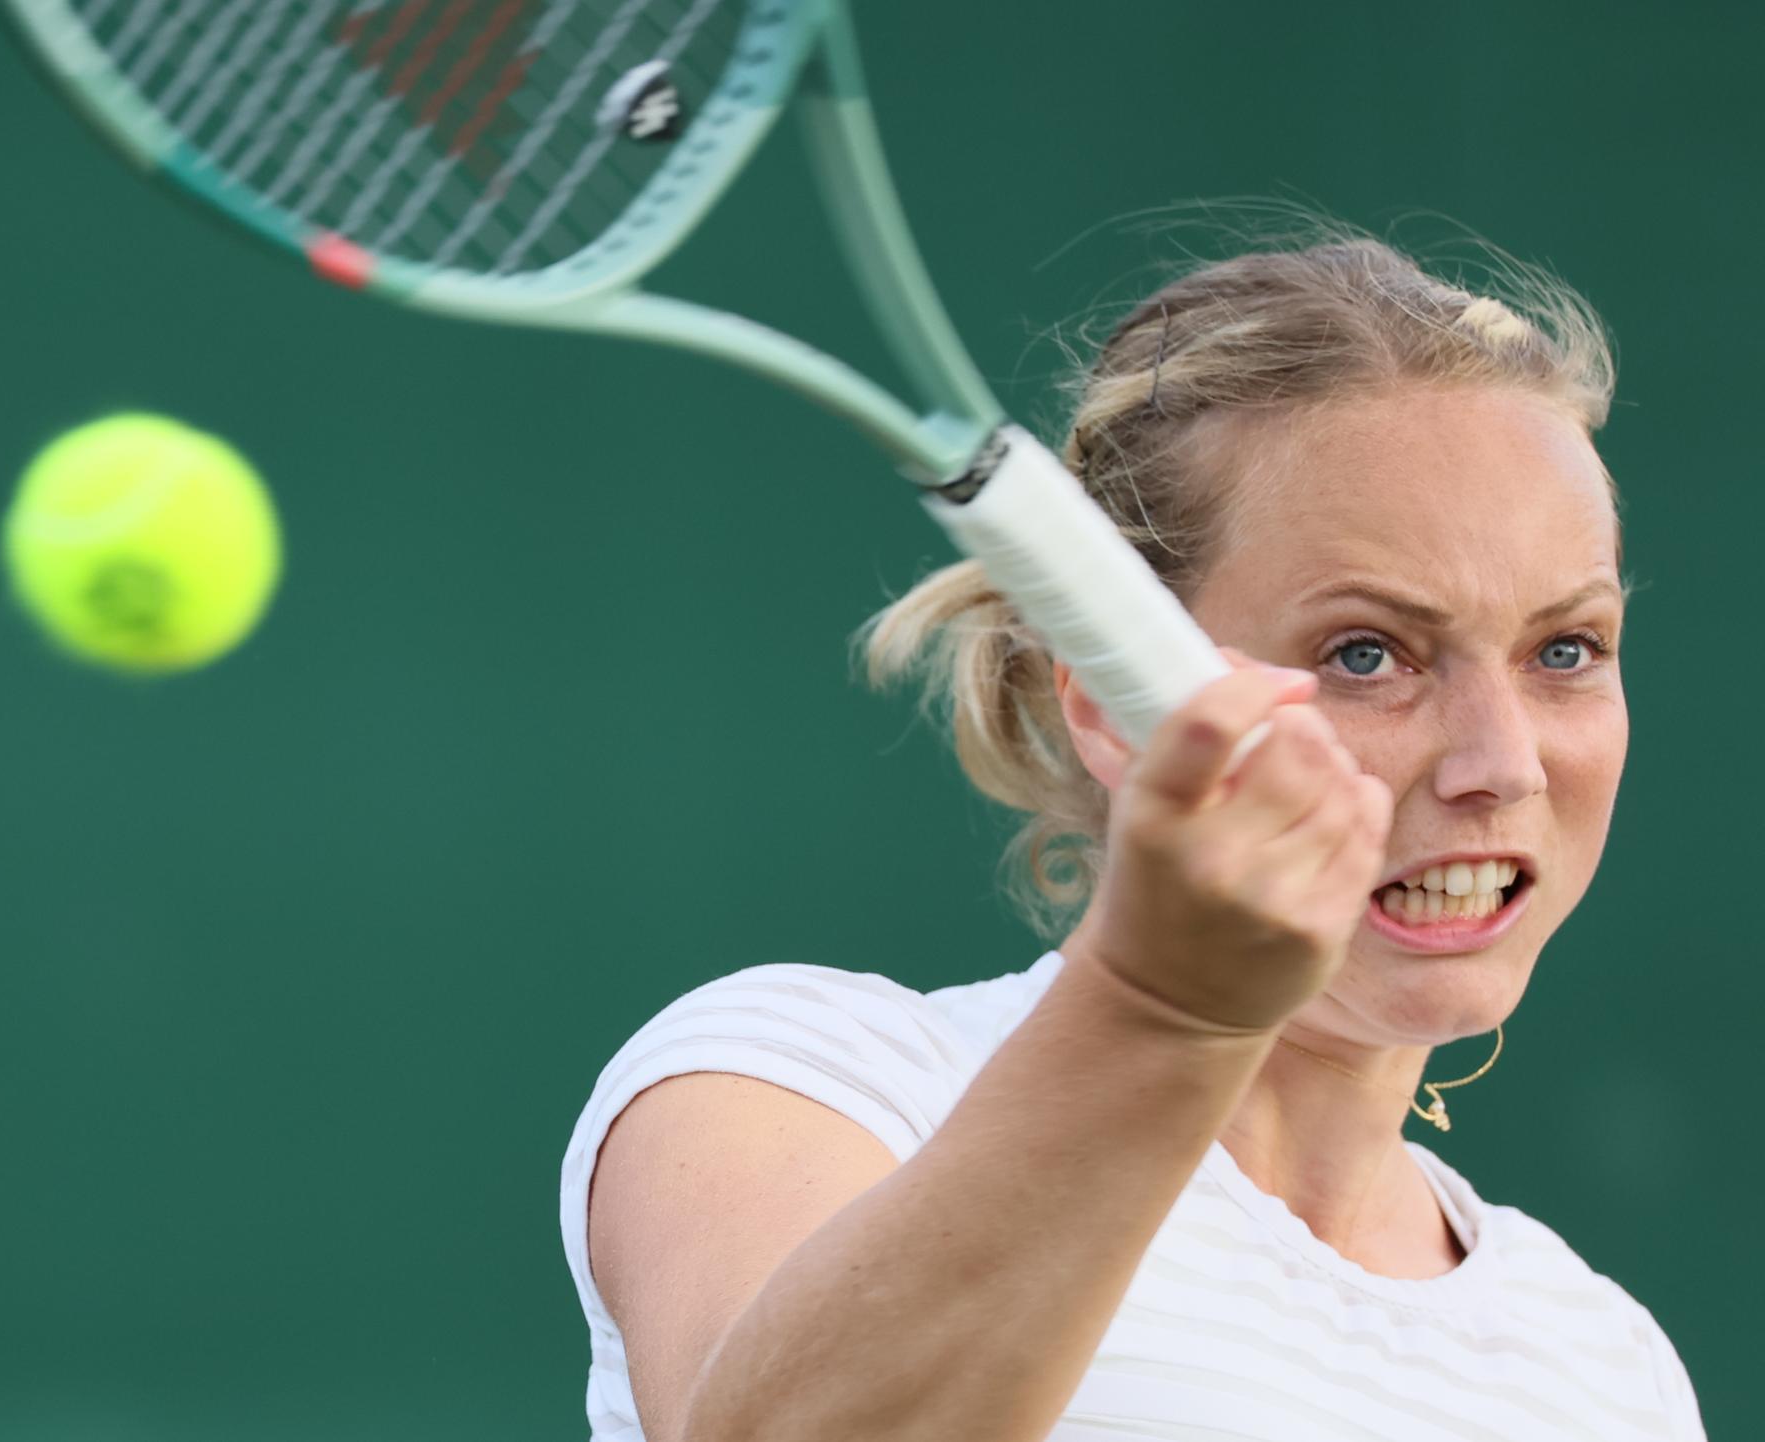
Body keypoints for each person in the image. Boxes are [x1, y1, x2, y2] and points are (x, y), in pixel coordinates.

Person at [558, 232, 1706, 1441]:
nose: (1503, 762)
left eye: (1564, 650)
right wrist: (1164, 1006)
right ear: (1112, 705)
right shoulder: (794, 1079)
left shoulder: (1606, 1368)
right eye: (1366, 653)